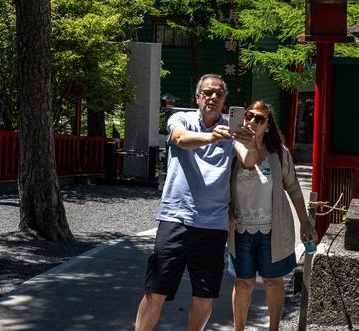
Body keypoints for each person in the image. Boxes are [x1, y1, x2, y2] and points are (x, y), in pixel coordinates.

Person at [135, 74, 259, 331]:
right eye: (207, 92)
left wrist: (251, 141)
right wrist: (212, 137)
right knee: (155, 290)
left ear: (225, 100)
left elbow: (248, 161)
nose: (213, 97)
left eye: (219, 94)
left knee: (204, 295)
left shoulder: (231, 130)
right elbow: (180, 139)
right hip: (175, 219)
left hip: (213, 224)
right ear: (197, 96)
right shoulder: (181, 119)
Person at [229, 100, 316, 331]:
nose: (252, 121)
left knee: (273, 281)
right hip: (240, 228)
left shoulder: (278, 154)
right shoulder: (231, 148)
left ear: (268, 126)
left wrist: (305, 221)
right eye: (249, 116)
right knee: (243, 282)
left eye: (260, 119)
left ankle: (273, 329)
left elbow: (294, 187)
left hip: (272, 228)